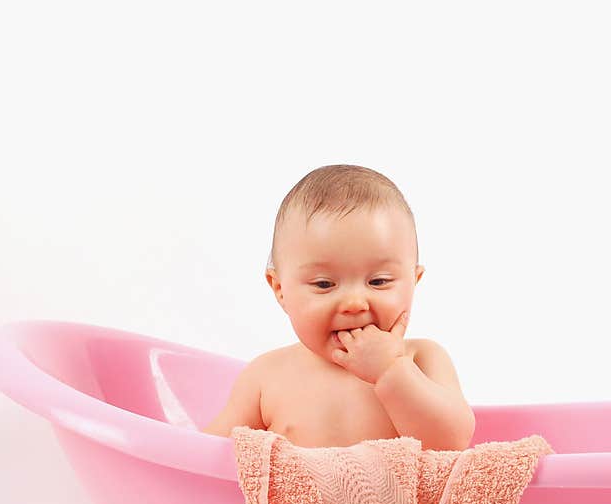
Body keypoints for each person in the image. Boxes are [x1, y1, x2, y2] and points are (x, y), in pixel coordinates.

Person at [203, 164, 474, 451]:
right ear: (280, 289)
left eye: (379, 281)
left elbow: (452, 443)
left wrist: (392, 371)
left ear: (413, 281)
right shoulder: (265, 377)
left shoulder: (421, 359)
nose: (355, 303)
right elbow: (205, 456)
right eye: (324, 284)